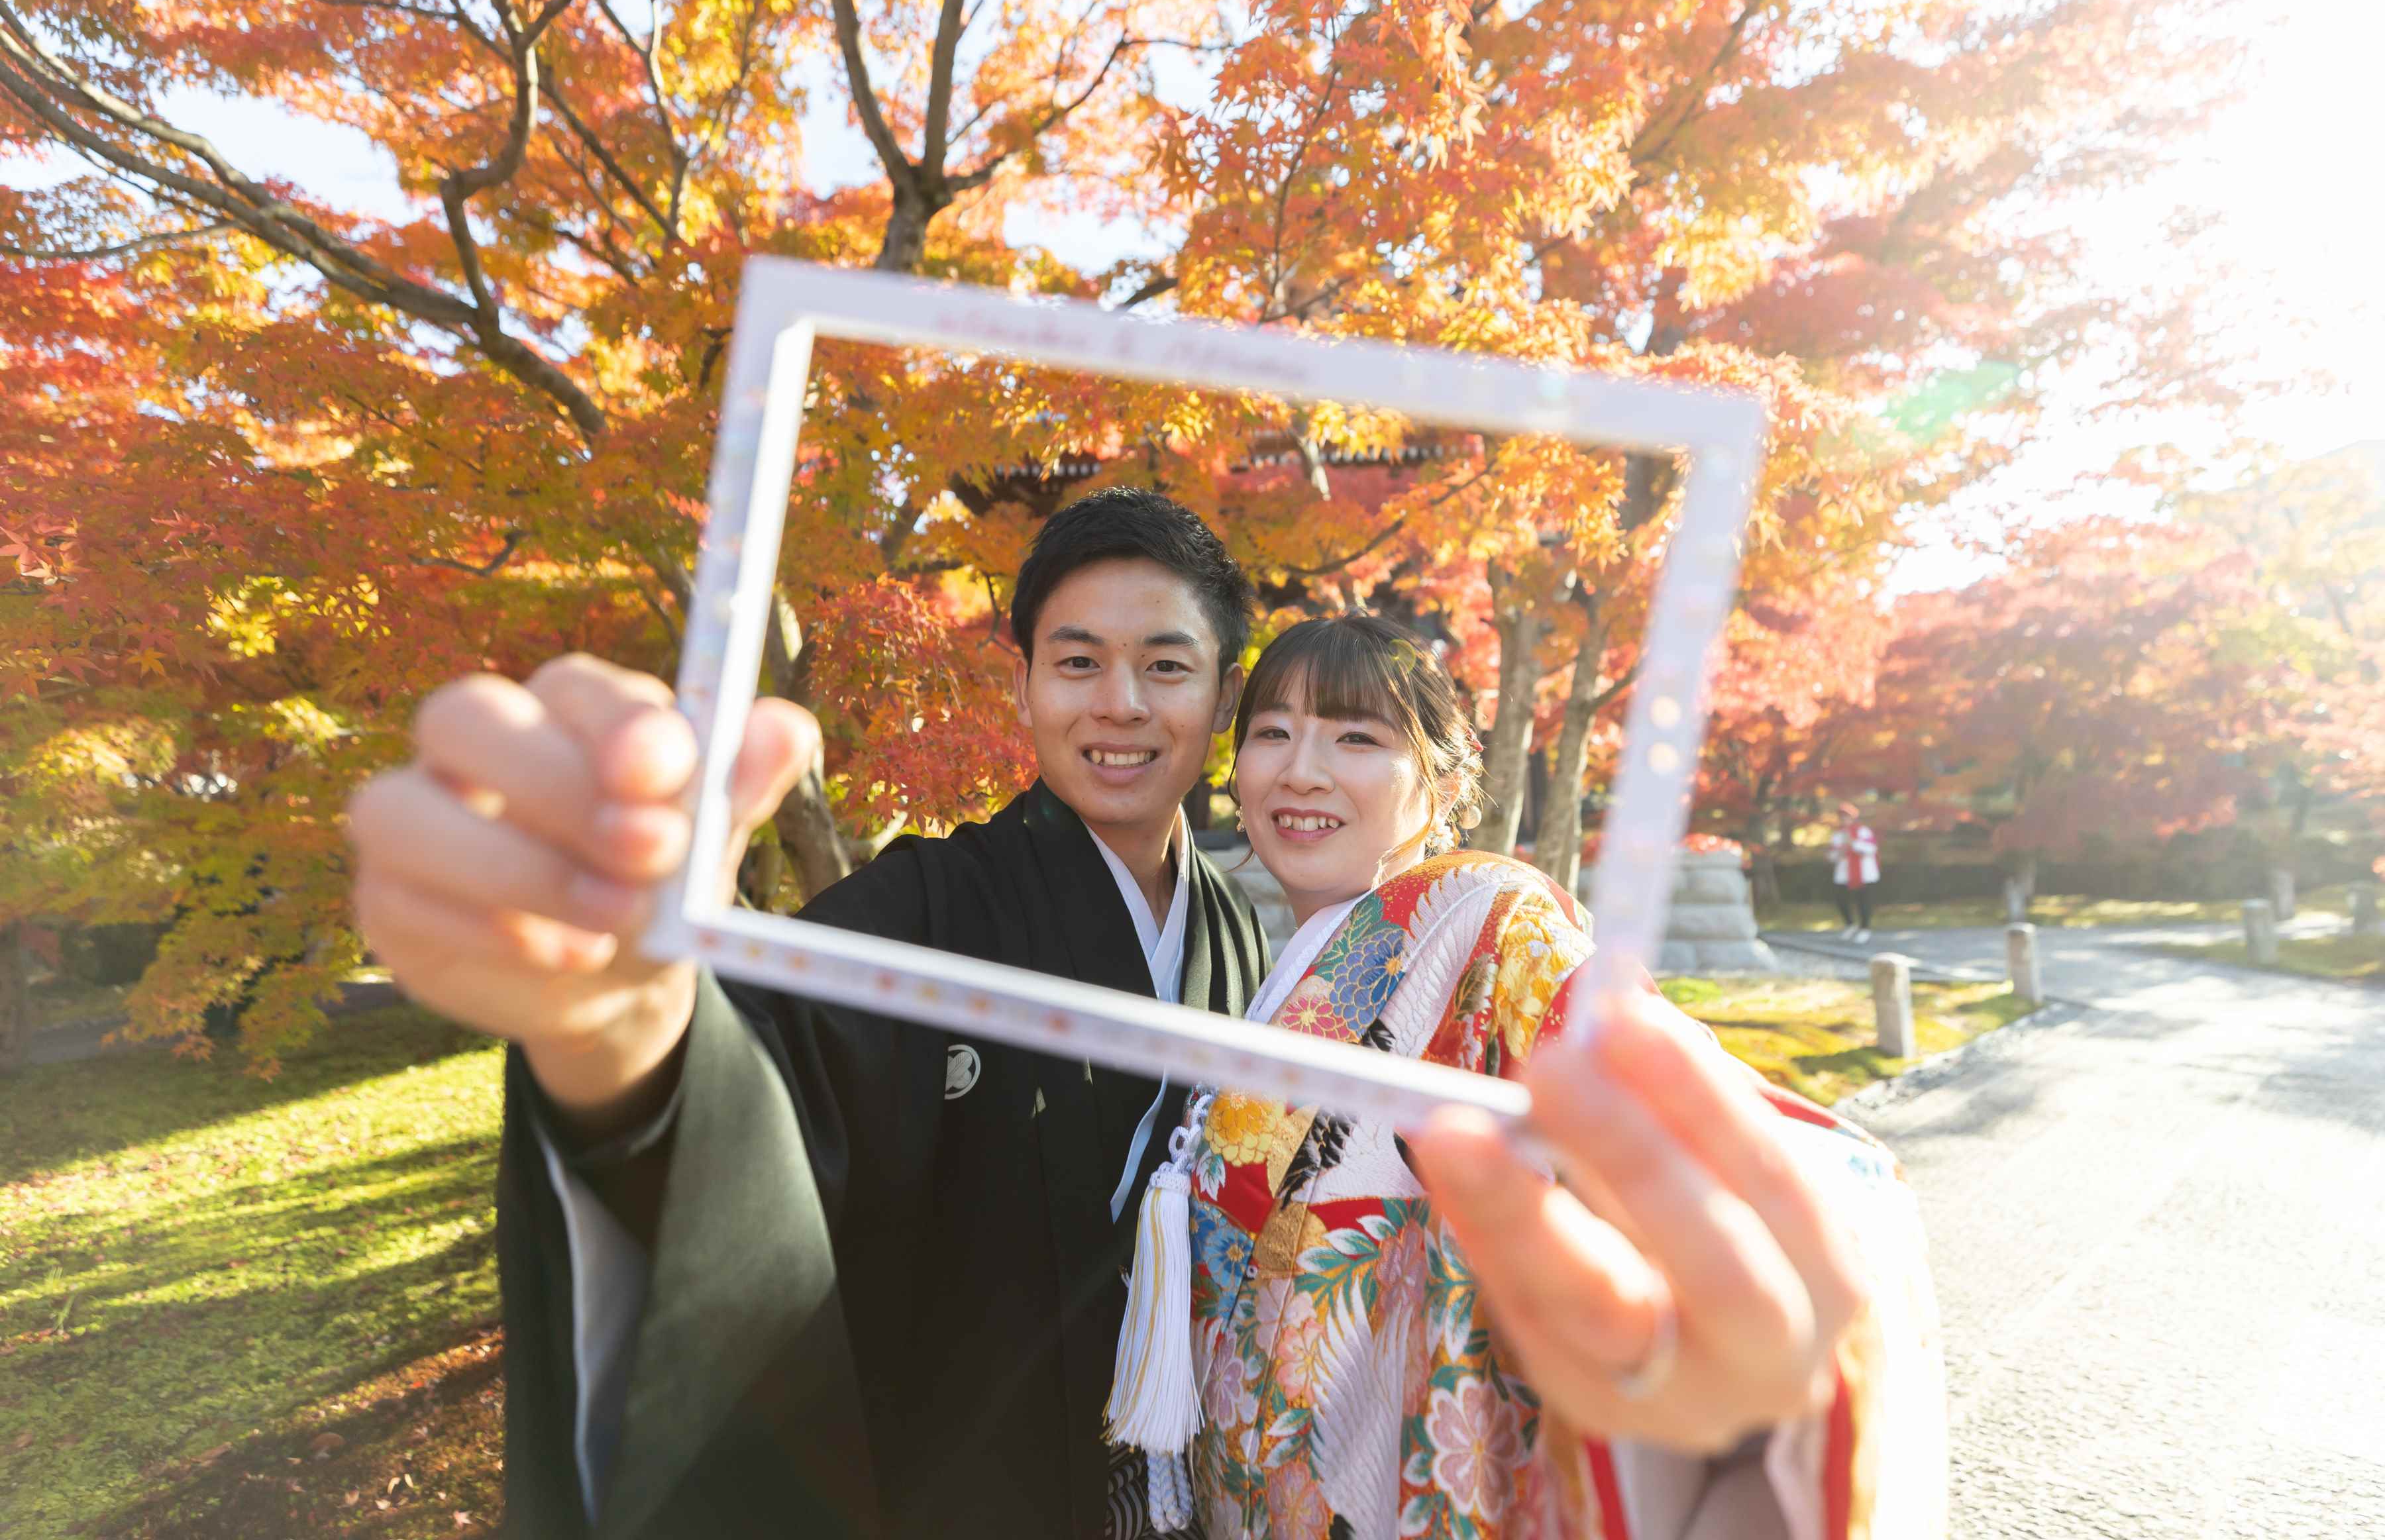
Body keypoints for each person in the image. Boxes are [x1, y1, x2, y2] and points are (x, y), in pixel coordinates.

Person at [350, 491, 1909, 1539]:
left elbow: (1624, 1083)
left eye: (1168, 666)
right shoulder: (932, 915)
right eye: (1073, 660)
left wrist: (1734, 1287)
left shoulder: (1340, 928)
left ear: (1209, 696)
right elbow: (741, 1061)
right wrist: (620, 1019)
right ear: (1022, 685)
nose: (1119, 703)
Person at [1106, 619, 1946, 1539]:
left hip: (1391, 1484)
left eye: (1357, 737)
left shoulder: (1487, 918)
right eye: (1272, 732)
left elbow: (1659, 1085)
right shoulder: (1279, 969)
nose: (1300, 769)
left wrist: (1765, 1236)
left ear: (1440, 784)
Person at [1828, 802, 1880, 943]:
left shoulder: (1863, 831)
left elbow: (1872, 849)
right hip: (1844, 873)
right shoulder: (1837, 835)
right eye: (1842, 817)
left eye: (1847, 817)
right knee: (1841, 900)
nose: (1844, 820)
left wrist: (1854, 844)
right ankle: (1850, 925)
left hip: (1864, 874)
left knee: (1863, 901)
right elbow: (1831, 855)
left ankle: (1865, 928)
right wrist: (1839, 853)